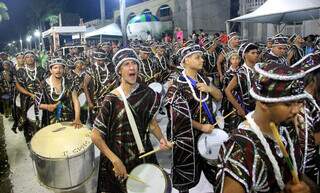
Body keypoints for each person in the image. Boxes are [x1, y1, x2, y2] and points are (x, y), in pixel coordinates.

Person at [215, 61, 320, 193]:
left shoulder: (288, 129)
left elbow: (294, 173)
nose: (295, 110)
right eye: (288, 104)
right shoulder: (239, 148)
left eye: (298, 102)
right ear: (264, 103)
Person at [91, 48, 171, 193]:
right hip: (118, 158)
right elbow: (95, 136)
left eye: (134, 63)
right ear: (119, 71)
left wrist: (161, 139)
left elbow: (151, 123)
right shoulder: (111, 99)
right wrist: (114, 160)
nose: (132, 67)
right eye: (126, 64)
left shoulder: (147, 93)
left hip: (143, 154)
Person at [165, 44, 223, 193]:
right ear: (186, 61)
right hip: (186, 138)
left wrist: (209, 89)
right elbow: (178, 118)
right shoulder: (176, 86)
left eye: (201, 57)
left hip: (208, 132)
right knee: (185, 174)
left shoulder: (203, 79)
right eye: (197, 57)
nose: (202, 60)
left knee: (216, 172)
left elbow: (220, 96)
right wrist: (201, 126)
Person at [36, 58, 82, 128]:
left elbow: (75, 101)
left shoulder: (69, 83)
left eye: (61, 68)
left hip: (68, 119)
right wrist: (47, 106)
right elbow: (35, 103)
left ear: (64, 70)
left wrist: (77, 118)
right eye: (55, 68)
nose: (58, 70)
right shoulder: (43, 85)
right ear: (51, 70)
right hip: (49, 121)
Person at [224, 43, 259, 131]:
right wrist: (239, 108)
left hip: (258, 109)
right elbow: (227, 91)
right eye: (253, 53)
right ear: (245, 55)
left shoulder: (258, 69)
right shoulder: (241, 72)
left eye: (257, 53)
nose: (256, 55)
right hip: (245, 110)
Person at [15, 51, 46, 143]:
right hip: (26, 99)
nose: (29, 58)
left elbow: (46, 82)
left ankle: (41, 136)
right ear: (24, 59)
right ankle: (29, 138)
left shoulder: (41, 70)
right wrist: (30, 94)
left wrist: (41, 87)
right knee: (27, 118)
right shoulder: (20, 71)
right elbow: (18, 86)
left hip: (40, 97)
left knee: (40, 117)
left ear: (34, 58)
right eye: (27, 57)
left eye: (31, 56)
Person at [83, 51, 116, 124]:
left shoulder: (110, 69)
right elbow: (84, 86)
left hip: (108, 99)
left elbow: (114, 85)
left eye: (101, 60)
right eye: (97, 59)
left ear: (105, 59)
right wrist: (89, 102)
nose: (99, 61)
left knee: (108, 121)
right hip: (95, 100)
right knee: (96, 122)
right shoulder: (90, 69)